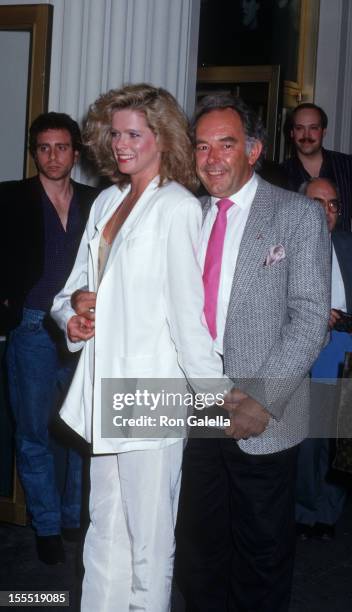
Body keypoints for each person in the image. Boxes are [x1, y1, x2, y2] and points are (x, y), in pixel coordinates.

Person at [51, 84, 229, 612]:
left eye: (134, 133)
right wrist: (72, 317)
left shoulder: (176, 207)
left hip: (152, 389)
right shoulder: (107, 199)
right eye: (116, 133)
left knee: (150, 540)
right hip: (105, 384)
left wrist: (219, 396)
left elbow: (186, 314)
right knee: (105, 525)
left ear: (162, 138)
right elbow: (71, 291)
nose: (121, 143)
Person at [175, 94, 331, 612]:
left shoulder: (296, 215)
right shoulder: (184, 216)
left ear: (255, 149)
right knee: (198, 548)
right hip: (193, 405)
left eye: (226, 144)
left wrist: (260, 399)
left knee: (261, 554)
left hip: (264, 411)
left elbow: (311, 317)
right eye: (202, 146)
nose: (212, 158)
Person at [0, 112, 99, 564]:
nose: (53, 155)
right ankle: (46, 526)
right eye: (44, 147)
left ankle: (73, 518)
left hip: (87, 330)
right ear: (34, 151)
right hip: (34, 329)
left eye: (62, 147)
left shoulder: (97, 202)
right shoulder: (11, 198)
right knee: (34, 432)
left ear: (76, 153)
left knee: (83, 430)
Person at [296, 177, 352, 540]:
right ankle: (303, 511)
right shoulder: (283, 248)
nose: (327, 211)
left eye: (333, 205)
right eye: (319, 203)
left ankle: (327, 515)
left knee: (338, 438)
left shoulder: (347, 246)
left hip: (343, 350)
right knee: (307, 441)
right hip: (302, 351)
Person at [280, 103, 352, 230]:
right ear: (292, 133)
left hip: (340, 248)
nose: (306, 135)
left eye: (313, 128)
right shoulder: (279, 175)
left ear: (323, 132)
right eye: (299, 128)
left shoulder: (347, 166)